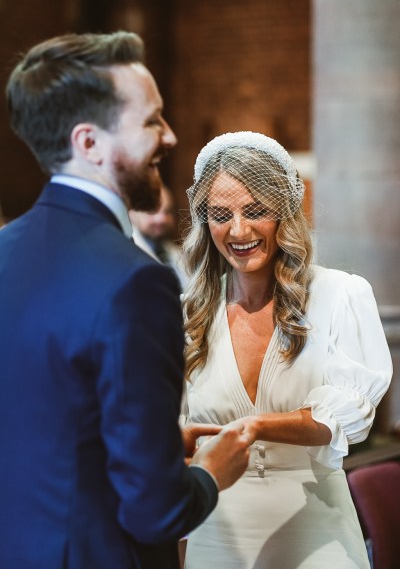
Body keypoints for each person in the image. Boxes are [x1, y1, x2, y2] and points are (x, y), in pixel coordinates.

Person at [0, 33, 253, 569]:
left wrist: (153, 445)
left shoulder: (3, 250)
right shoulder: (136, 281)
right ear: (89, 143)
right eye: (151, 121)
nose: (170, 135)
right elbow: (154, 512)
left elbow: (45, 420)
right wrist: (211, 471)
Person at [180, 131, 393, 568]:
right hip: (216, 535)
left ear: (285, 212)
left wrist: (255, 426)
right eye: (221, 215)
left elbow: (343, 418)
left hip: (314, 527)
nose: (239, 230)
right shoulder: (186, 313)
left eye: (255, 211)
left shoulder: (340, 295)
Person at [129, 183, 188, 289]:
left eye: (168, 211)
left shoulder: (176, 253)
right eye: (152, 211)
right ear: (132, 213)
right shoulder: (127, 252)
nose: (162, 219)